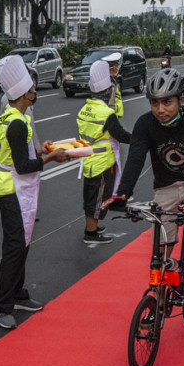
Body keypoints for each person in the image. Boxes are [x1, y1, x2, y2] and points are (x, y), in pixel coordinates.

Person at [102, 68, 184, 291]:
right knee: (161, 255)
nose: (160, 110)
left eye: (167, 102)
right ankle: (158, 302)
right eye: (154, 103)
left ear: (181, 100)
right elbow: (135, 159)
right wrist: (123, 193)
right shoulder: (145, 124)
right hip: (165, 186)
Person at [0, 54, 70, 329]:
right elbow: (23, 166)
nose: (35, 90)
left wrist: (41, 149)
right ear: (24, 94)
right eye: (32, 87)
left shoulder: (13, 116)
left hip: (13, 186)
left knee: (22, 243)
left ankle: (18, 294)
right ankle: (2, 305)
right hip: (12, 188)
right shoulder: (18, 123)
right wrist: (51, 157)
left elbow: (18, 153)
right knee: (15, 247)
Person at [78, 60, 131, 244]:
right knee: (99, 197)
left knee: (90, 196)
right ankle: (91, 233)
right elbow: (121, 135)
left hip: (89, 159)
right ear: (107, 91)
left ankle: (91, 227)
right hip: (102, 161)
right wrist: (140, 139)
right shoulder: (106, 113)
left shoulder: (85, 109)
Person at [102, 51, 127, 192]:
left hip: (113, 119)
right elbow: (110, 104)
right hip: (111, 121)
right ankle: (114, 190)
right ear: (112, 68)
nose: (117, 68)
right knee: (114, 158)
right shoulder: (110, 83)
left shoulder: (111, 81)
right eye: (116, 65)